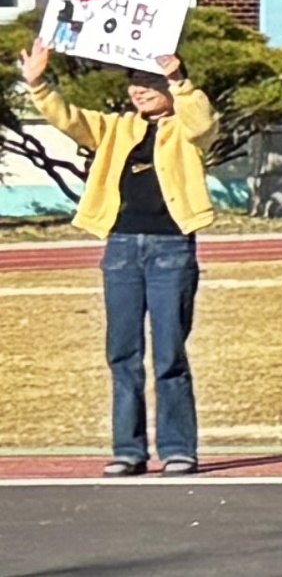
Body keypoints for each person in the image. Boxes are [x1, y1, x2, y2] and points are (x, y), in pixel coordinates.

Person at [21, 37, 210, 475]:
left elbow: (201, 123)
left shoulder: (185, 124)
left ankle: (179, 448)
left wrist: (180, 80)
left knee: (169, 354)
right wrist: (38, 84)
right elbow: (67, 120)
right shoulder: (115, 127)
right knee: (122, 353)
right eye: (134, 81)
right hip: (121, 248)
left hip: (171, 248)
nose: (139, 89)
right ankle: (128, 450)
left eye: (149, 80)